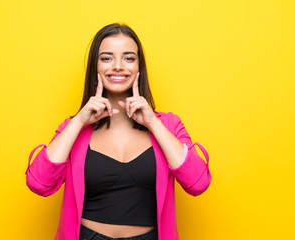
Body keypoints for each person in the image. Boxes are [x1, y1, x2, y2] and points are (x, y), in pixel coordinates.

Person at [25, 23, 212, 240]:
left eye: (128, 58)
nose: (118, 66)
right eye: (106, 58)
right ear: (95, 67)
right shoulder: (74, 127)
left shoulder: (167, 124)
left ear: (139, 68)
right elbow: (39, 183)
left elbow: (198, 183)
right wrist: (78, 123)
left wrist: (152, 122)